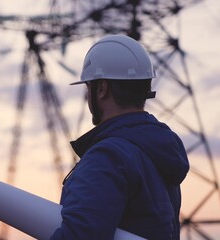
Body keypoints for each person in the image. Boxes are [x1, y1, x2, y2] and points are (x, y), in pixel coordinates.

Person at [49, 35, 189, 240]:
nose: (88, 95)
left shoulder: (107, 157)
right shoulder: (158, 150)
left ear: (102, 88)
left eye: (89, 87)